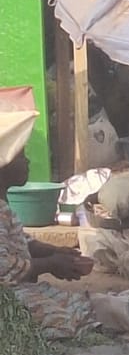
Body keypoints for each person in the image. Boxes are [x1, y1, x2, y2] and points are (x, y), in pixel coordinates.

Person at [0, 111, 96, 341]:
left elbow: (20, 243)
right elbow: (3, 268)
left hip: (17, 288)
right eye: (20, 156)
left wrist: (53, 252)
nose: (28, 161)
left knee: (81, 307)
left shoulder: (4, 207)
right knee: (60, 323)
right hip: (6, 293)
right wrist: (49, 264)